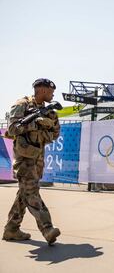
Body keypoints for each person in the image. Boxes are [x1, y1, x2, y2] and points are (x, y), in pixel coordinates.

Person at [2, 78, 61, 245]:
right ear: (41, 90)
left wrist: (48, 125)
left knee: (24, 194)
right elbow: (12, 129)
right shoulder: (22, 105)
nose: (53, 94)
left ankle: (11, 229)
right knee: (31, 192)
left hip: (38, 159)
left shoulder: (50, 112)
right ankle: (47, 228)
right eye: (50, 91)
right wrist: (35, 124)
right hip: (24, 159)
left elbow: (55, 134)